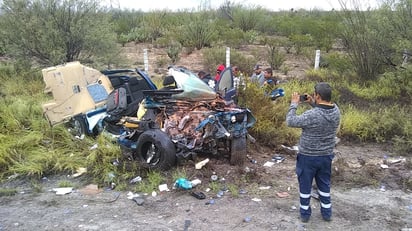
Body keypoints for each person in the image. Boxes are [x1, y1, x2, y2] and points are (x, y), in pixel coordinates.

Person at [286, 82, 341, 223]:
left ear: (318, 95)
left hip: (308, 157)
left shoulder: (311, 115)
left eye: (314, 95)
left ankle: (305, 214)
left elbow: (290, 121)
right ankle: (327, 213)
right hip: (326, 156)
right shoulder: (336, 111)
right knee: (324, 185)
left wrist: (294, 104)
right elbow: (323, 113)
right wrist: (313, 103)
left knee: (305, 186)